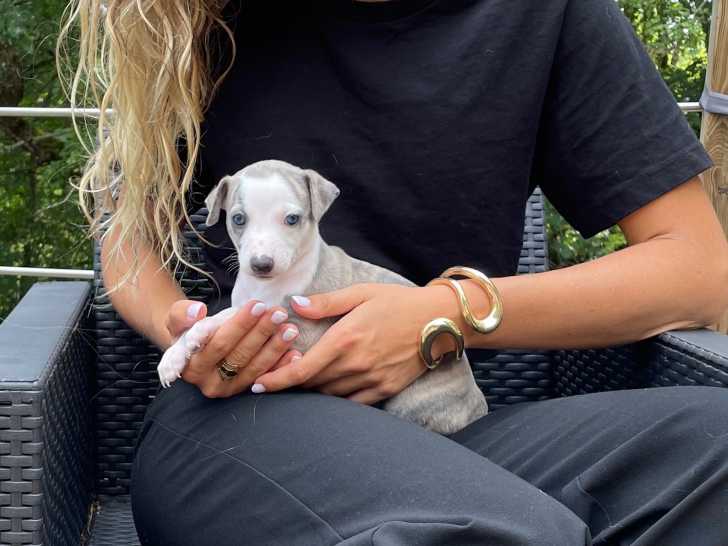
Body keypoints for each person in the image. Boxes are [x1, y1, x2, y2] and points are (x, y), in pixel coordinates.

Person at [60, 0, 728, 544]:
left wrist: (442, 314)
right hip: (242, 419)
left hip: (448, 433)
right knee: (481, 527)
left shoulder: (545, 15)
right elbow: (127, 233)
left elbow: (696, 269)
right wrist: (183, 330)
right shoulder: (203, 18)